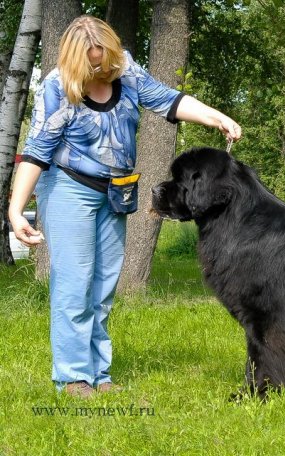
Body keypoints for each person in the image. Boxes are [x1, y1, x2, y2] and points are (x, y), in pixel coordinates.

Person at [8, 15, 242, 398]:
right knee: (74, 284)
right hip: (69, 188)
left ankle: (99, 375)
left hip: (115, 192)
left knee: (102, 287)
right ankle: (72, 378)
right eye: (93, 63)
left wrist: (216, 117)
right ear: (75, 61)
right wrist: (16, 211)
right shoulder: (56, 87)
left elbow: (169, 100)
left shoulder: (126, 70)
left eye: (106, 59)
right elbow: (35, 152)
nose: (102, 69)